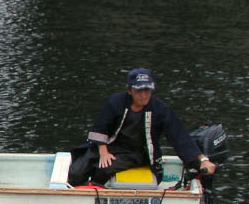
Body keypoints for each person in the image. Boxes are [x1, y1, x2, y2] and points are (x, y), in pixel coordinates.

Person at [72, 67, 216, 186]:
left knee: (103, 169)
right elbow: (100, 128)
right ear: (129, 90)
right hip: (111, 146)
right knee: (76, 172)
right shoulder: (115, 102)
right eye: (139, 91)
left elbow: (179, 135)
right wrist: (103, 152)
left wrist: (203, 160)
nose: (143, 95)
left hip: (139, 153)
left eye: (147, 90)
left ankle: (95, 190)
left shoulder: (160, 109)